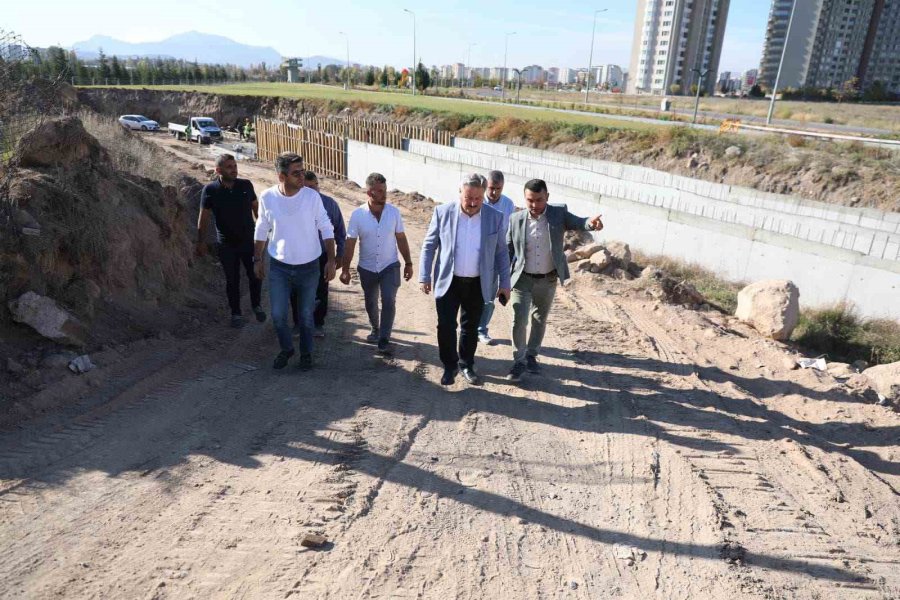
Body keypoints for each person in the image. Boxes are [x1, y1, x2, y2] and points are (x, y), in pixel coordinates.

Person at [505, 178, 603, 382]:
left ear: (547, 197)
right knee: (519, 320)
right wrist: (501, 280)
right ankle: (519, 361)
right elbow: (508, 250)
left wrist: (591, 224)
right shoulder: (516, 219)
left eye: (539, 200)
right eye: (529, 200)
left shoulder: (558, 214)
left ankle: (532, 355)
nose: (534, 205)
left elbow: (579, 222)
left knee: (539, 319)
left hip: (548, 279)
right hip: (522, 279)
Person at [419, 173, 511, 386]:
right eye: (468, 198)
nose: (472, 203)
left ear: (483, 195)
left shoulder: (494, 217)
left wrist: (505, 284)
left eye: (477, 199)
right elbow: (429, 245)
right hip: (449, 281)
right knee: (446, 326)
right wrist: (424, 276)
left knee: (470, 328)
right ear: (460, 192)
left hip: (478, 282)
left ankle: (466, 364)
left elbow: (501, 253)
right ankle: (449, 366)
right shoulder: (442, 213)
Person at [253, 153, 336, 371]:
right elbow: (262, 228)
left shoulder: (311, 197)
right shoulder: (267, 197)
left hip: (309, 267)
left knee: (306, 315)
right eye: (296, 173)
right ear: (282, 176)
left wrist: (331, 260)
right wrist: (257, 258)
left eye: (302, 171)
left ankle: (306, 353)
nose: (301, 176)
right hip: (279, 267)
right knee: (278, 315)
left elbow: (326, 227)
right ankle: (287, 348)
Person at [339, 172, 413, 354]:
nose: (384, 194)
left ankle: (384, 339)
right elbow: (350, 243)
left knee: (389, 299)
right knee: (371, 301)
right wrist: (345, 269)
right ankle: (375, 328)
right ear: (369, 192)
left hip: (390, 266)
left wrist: (409, 263)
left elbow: (401, 238)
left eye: (385, 190)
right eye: (379, 191)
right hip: (367, 268)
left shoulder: (394, 213)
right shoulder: (357, 215)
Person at [197, 154, 265, 328]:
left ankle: (256, 305)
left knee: (255, 275)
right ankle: (236, 313)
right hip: (226, 244)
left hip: (249, 242)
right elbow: (203, 218)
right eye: (229, 167)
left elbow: (257, 210)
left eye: (235, 166)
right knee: (232, 279)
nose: (234, 170)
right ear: (218, 170)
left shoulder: (246, 185)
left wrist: (262, 236)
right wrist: (201, 241)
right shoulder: (211, 190)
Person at [289, 171, 346, 339]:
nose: (313, 192)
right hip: (298, 255)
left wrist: (339, 255)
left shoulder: (329, 204)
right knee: (296, 290)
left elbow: (340, 231)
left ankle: (318, 323)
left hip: (321, 255)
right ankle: (298, 324)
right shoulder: (293, 205)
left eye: (315, 187)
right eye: (308, 188)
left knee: (321, 289)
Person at [477, 170, 516, 346]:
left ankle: (482, 329)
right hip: (475, 253)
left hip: (495, 254)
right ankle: (467, 326)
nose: (494, 192)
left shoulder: (508, 205)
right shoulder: (477, 199)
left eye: (498, 189)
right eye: (491, 188)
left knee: (489, 295)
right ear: (486, 186)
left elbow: (510, 233)